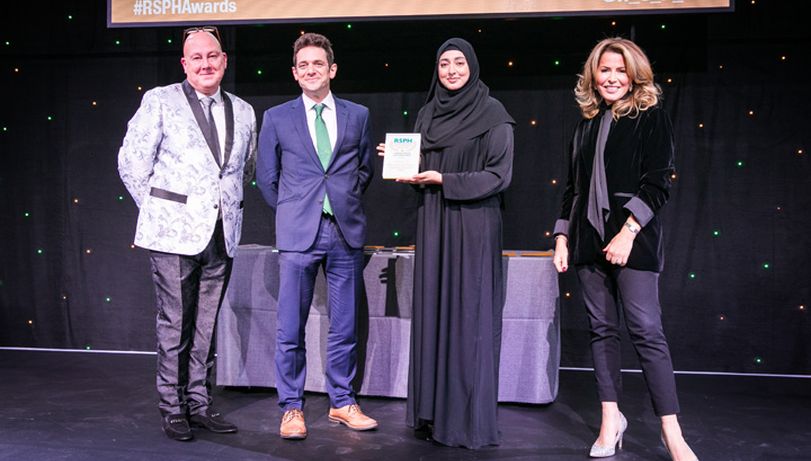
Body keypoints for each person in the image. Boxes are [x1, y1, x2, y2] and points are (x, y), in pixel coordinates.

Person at [553, 37, 698, 460]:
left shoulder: (651, 117)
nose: (612, 78)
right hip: (586, 240)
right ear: (593, 76)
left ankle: (672, 433)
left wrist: (628, 232)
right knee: (601, 331)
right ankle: (610, 420)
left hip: (632, 240)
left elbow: (658, 182)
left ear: (634, 75)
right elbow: (571, 189)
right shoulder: (585, 125)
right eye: (605, 70)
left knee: (647, 333)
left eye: (620, 70)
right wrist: (562, 236)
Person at [118, 26, 257, 441]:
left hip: (222, 234)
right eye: (196, 58)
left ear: (224, 60)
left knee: (206, 325)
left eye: (212, 56)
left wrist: (214, 210)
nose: (205, 64)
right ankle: (172, 406)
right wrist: (164, 212)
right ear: (185, 64)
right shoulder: (159, 100)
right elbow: (131, 163)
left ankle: (199, 402)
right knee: (175, 323)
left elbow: (243, 170)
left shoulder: (245, 111)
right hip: (172, 236)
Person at [382, 37, 514, 449]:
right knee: (434, 314)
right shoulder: (426, 113)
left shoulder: (494, 115)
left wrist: (445, 180)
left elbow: (498, 176)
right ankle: (431, 415)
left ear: (472, 66)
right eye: (444, 64)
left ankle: (463, 421)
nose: (452, 70)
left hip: (474, 226)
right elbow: (427, 165)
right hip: (434, 223)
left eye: (459, 62)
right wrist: (405, 165)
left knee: (467, 320)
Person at [256, 32, 377, 440]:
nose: (311, 70)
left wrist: (339, 203)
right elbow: (266, 178)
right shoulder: (276, 117)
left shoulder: (357, 115)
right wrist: (294, 211)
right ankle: (292, 408)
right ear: (295, 73)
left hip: (344, 233)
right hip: (297, 235)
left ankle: (342, 402)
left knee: (343, 326)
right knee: (290, 328)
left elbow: (363, 171)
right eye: (303, 65)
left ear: (332, 69)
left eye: (318, 64)